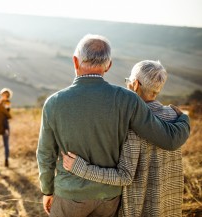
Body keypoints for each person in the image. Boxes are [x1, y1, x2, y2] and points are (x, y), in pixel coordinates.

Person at [36, 34, 190, 217]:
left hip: (70, 195)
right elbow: (168, 139)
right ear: (108, 65)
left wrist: (47, 190)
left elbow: (45, 154)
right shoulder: (127, 99)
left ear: (75, 62)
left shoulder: (54, 103)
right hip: (109, 198)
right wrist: (184, 119)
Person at [62, 60, 184, 217]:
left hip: (139, 209)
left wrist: (81, 168)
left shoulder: (130, 122)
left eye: (128, 81)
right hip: (169, 206)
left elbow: (124, 176)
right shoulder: (174, 116)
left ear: (135, 84)